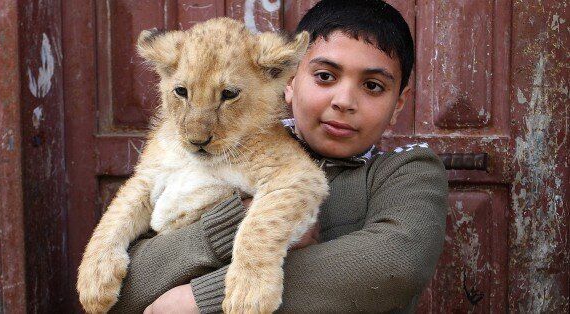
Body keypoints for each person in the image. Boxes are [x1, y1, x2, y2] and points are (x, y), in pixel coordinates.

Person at [110, 0, 448, 312]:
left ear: (397, 105)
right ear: (287, 80)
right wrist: (232, 223)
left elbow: (395, 264)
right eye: (325, 76)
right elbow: (124, 290)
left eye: (372, 85)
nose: (344, 101)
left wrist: (203, 298)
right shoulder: (223, 153)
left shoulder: (404, 171)